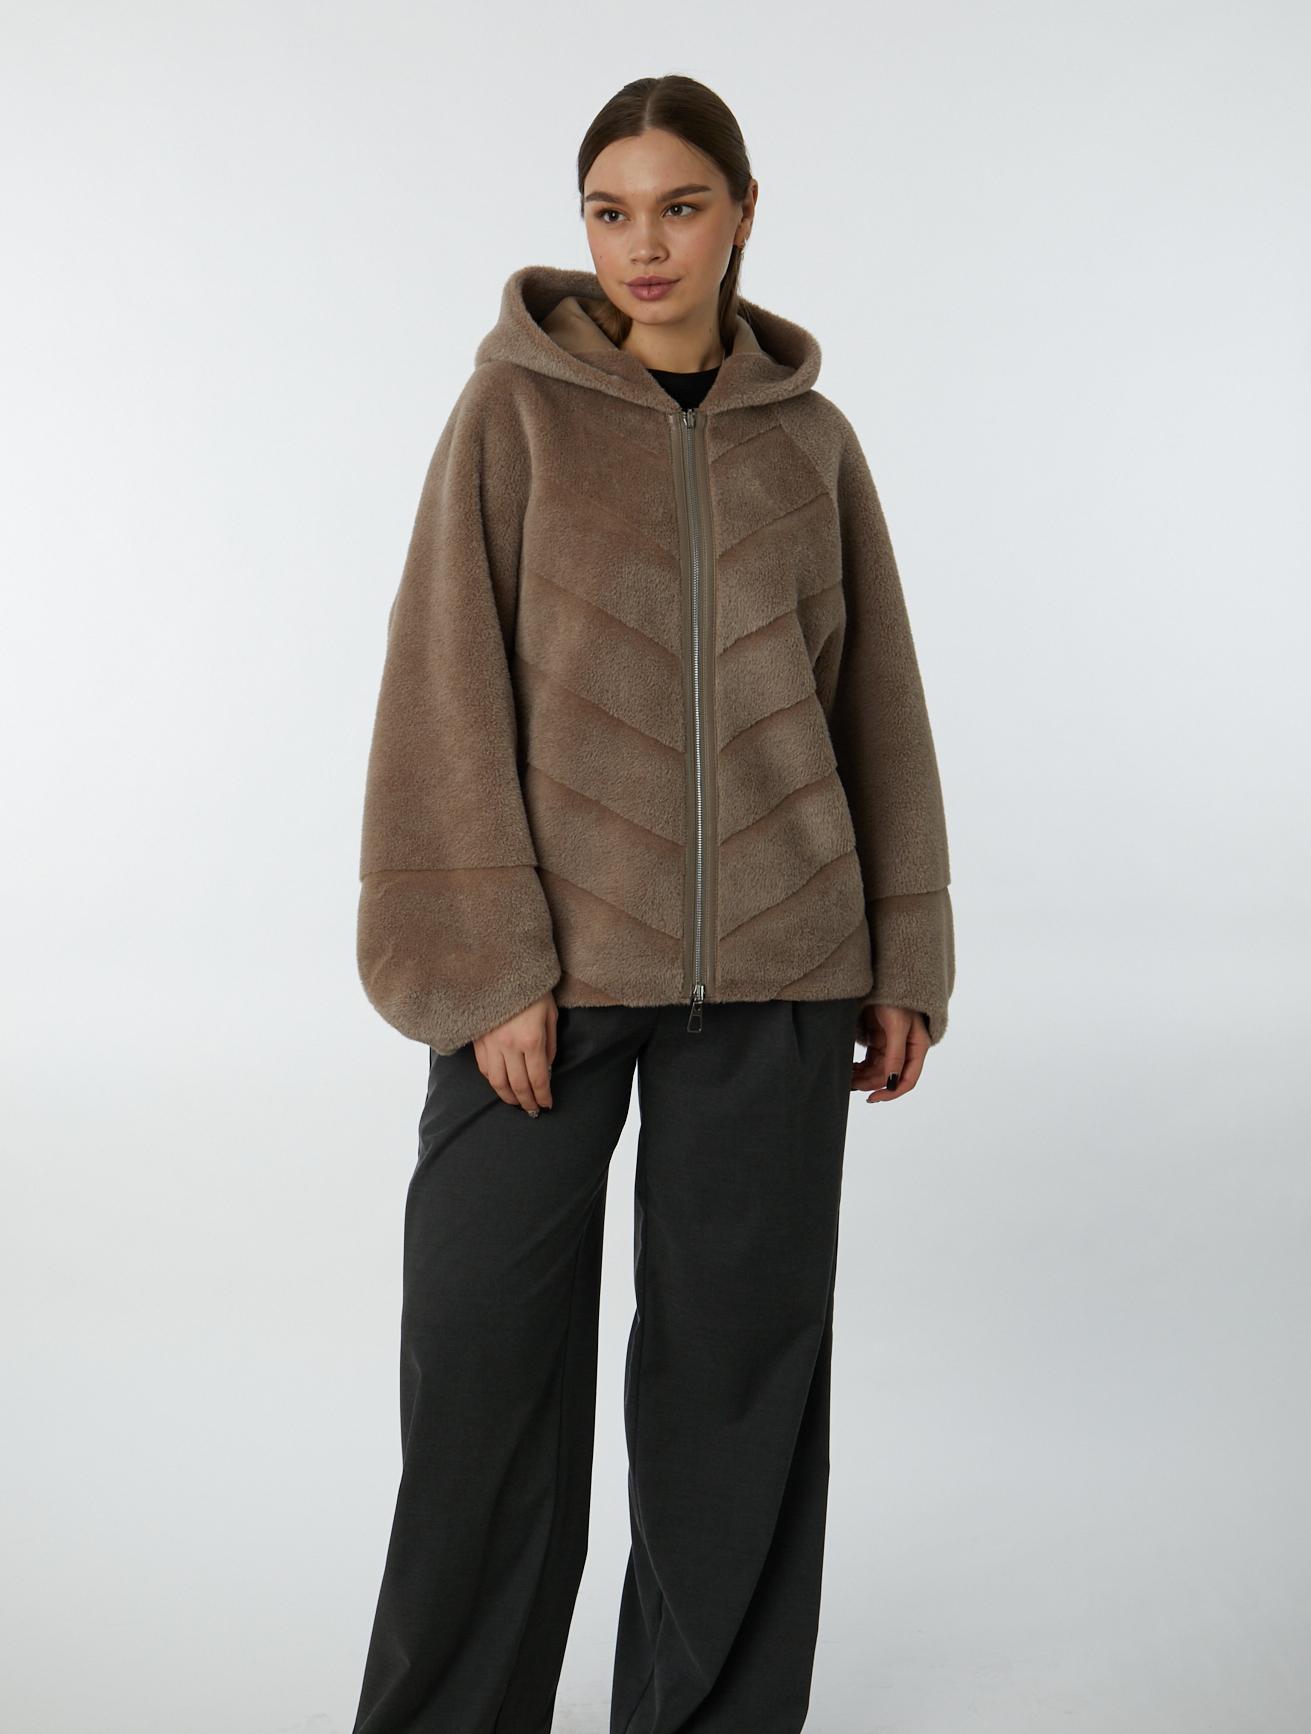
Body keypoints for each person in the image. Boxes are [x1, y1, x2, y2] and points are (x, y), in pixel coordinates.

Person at [349, 73, 955, 1734]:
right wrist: (487, 965)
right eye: (610, 211)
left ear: (743, 214)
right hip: (543, 983)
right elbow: (442, 688)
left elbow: (877, 708)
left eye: (680, 206)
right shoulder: (514, 419)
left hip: (782, 972)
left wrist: (902, 950)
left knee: (738, 1391)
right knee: (481, 1370)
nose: (644, 244)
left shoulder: (811, 445)